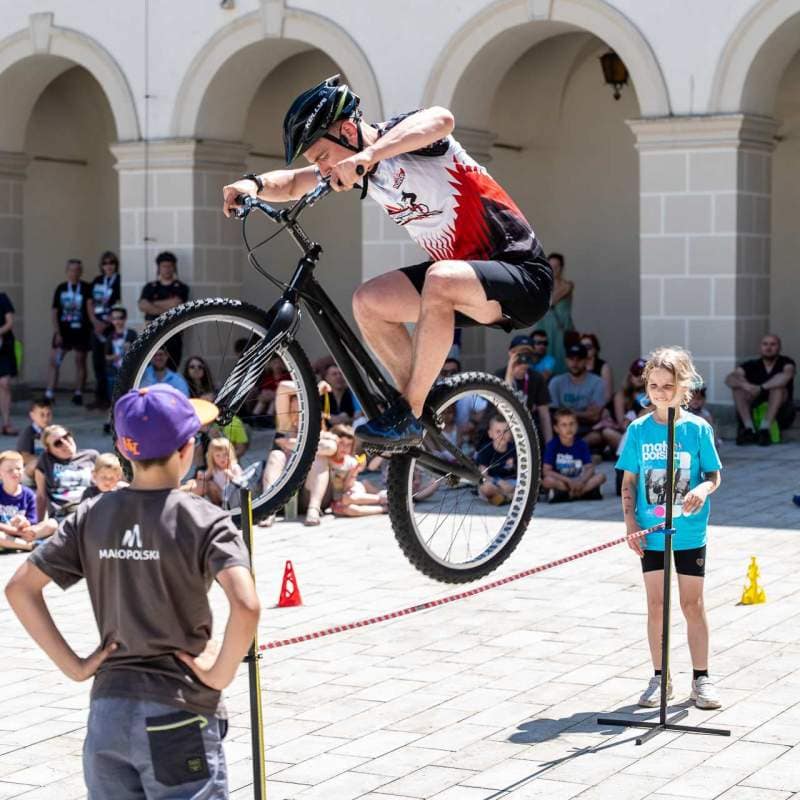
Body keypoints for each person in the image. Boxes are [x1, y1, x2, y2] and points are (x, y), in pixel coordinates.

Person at [222, 74, 552, 448]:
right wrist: (254, 185)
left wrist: (368, 156)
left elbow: (442, 119)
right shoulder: (355, 168)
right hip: (465, 285)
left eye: (324, 157)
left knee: (440, 278)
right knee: (369, 302)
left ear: (348, 129)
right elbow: (296, 182)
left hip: (522, 277)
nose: (325, 170)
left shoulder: (404, 139)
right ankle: (421, 405)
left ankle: (409, 411)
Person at [5, 383, 259, 798]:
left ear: (125, 452)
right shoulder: (205, 519)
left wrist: (75, 666)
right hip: (178, 710)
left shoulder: (91, 514)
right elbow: (246, 605)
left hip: (108, 711)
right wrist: (220, 672)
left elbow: (20, 589)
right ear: (186, 450)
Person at [617, 346, 722, 711]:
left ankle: (701, 678)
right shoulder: (638, 430)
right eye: (655, 385)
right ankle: (660, 676)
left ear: (684, 386)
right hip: (650, 531)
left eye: (669, 385)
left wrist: (701, 488)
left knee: (692, 603)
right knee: (655, 603)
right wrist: (631, 522)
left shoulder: (697, 429)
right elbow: (628, 481)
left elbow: (714, 475)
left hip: (690, 531)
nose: (661, 392)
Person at [725, 334, 796, 446]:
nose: (768, 347)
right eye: (765, 344)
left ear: (779, 347)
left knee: (778, 389)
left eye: (773, 344)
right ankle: (749, 429)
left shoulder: (786, 363)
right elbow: (730, 379)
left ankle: (765, 429)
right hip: (755, 408)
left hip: (782, 412)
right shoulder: (752, 365)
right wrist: (746, 385)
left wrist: (762, 388)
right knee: (738, 389)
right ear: (760, 347)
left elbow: (786, 376)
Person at [46, 259, 95, 406]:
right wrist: (57, 332)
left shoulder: (87, 287)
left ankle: (78, 392)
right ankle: (49, 393)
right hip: (64, 331)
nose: (74, 273)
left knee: (80, 360)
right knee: (54, 360)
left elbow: (90, 308)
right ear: (67, 271)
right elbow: (54, 312)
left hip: (81, 330)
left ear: (81, 272)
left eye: (77, 270)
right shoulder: (61, 288)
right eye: (71, 270)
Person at [548, 344, 610, 450]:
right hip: (562, 428)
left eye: (579, 359)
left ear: (586, 360)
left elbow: (594, 416)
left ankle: (573, 448)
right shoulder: (556, 382)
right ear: (566, 360)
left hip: (587, 430)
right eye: (571, 359)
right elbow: (553, 414)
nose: (575, 363)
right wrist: (584, 414)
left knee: (599, 435)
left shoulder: (597, 382)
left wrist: (566, 411)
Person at [138, 251, 190, 369]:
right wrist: (168, 306)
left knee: (171, 368)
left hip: (173, 334)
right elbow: (142, 305)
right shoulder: (150, 287)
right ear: (159, 268)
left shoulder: (181, 287)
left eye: (170, 266)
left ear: (174, 267)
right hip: (152, 334)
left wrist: (152, 305)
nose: (167, 269)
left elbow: (177, 305)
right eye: (164, 266)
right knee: (150, 368)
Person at [34, 425, 98, 520]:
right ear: (49, 450)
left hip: (91, 509)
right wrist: (39, 522)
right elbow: (41, 495)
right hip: (63, 513)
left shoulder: (91, 456)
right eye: (57, 443)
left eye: (66, 436)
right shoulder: (46, 461)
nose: (65, 443)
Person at [497, 335, 552, 444]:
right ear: (510, 353)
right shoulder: (499, 376)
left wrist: (549, 446)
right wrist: (509, 373)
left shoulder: (536, 378)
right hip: (501, 430)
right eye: (519, 353)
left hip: (525, 430)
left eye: (527, 354)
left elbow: (544, 415)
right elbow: (501, 409)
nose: (523, 357)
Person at [542, 409, 605, 502]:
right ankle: (582, 493)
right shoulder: (552, 445)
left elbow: (590, 468)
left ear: (577, 426)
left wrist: (581, 481)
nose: (569, 428)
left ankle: (570, 494)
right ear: (556, 428)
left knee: (601, 476)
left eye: (572, 424)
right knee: (547, 481)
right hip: (563, 481)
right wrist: (568, 481)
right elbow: (546, 471)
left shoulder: (581, 444)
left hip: (580, 479)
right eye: (564, 425)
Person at [0, 451, 56, 550]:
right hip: (4, 534)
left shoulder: (29, 494)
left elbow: (33, 521)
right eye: (10, 470)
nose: (15, 472)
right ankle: (30, 546)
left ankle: (15, 544)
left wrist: (24, 523)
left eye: (18, 468)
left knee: (52, 523)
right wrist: (14, 531)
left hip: (24, 533)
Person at [89, 251, 121, 410]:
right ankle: (99, 397)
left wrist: (108, 321)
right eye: (105, 263)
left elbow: (120, 303)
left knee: (111, 363)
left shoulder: (119, 281)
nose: (108, 266)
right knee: (97, 363)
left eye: (111, 263)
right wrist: (95, 322)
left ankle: (112, 398)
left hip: (111, 327)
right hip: (97, 328)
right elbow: (89, 302)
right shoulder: (97, 281)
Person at [537, 252, 575, 375]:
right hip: (545, 327)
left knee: (562, 357)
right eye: (550, 266)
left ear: (562, 268)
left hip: (561, 330)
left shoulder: (568, 285)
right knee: (543, 355)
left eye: (557, 267)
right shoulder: (543, 286)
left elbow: (550, 301)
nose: (553, 270)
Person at [477, 414, 518, 505]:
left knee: (525, 486)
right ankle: (506, 496)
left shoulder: (514, 450)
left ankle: (502, 497)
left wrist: (511, 486)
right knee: (485, 487)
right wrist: (498, 481)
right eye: (498, 432)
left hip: (510, 483)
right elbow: (483, 475)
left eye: (505, 431)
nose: (502, 435)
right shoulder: (485, 450)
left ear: (510, 433)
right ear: (490, 434)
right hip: (493, 482)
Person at [193, 437, 243, 507]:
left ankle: (226, 505)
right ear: (212, 457)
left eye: (225, 454)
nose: (222, 458)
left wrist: (231, 476)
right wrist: (201, 475)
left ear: (230, 454)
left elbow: (242, 482)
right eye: (218, 456)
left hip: (233, 495)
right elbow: (206, 476)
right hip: (220, 494)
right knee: (210, 484)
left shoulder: (234, 467)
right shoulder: (214, 469)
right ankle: (217, 506)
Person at [16, 398, 53, 481]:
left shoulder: (52, 432)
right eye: (42, 415)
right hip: (29, 472)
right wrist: (46, 461)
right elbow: (24, 456)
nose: (45, 419)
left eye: (48, 414)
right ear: (32, 415)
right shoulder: (28, 433)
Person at [0, 291, 18, 436]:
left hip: (3, 346)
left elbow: (9, 322)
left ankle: (6, 423)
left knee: (5, 383)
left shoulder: (2, 298)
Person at [613, 358, 648, 431]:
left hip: (645, 432)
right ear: (630, 376)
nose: (639, 377)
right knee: (608, 433)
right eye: (636, 373)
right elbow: (622, 425)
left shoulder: (653, 396)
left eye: (643, 374)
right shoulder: (621, 395)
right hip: (625, 433)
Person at [580, 333, 614, 406]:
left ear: (595, 349)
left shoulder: (604, 367)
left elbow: (607, 395)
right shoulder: (577, 366)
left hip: (600, 406)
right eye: (582, 347)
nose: (585, 349)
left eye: (588, 347)